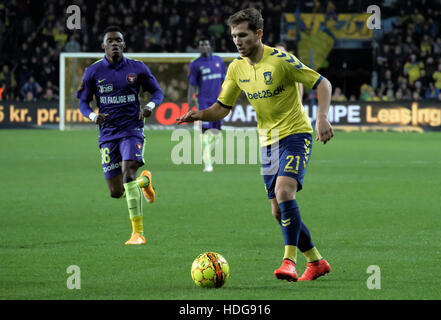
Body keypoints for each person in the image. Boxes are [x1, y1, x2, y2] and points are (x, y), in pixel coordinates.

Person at [177, 8, 334, 282]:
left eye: (243, 35)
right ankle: (316, 261)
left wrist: (322, 117)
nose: (237, 41)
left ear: (258, 34)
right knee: (278, 211)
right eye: (234, 36)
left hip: (296, 134)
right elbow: (222, 107)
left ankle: (289, 261)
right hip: (267, 142)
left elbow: (322, 84)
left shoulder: (281, 61)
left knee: (285, 192)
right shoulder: (236, 68)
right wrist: (199, 115)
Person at [77, 26, 164, 245]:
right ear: (103, 45)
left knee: (128, 173)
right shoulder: (93, 72)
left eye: (118, 40)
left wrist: (150, 107)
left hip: (132, 129)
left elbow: (157, 92)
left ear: (123, 45)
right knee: (116, 192)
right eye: (110, 40)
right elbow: (82, 102)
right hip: (108, 133)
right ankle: (145, 181)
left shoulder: (137, 68)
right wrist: (92, 116)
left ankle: (138, 233)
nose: (114, 43)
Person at [187, 37, 227, 172]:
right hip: (204, 102)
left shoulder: (218, 61)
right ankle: (208, 164)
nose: (204, 47)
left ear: (210, 46)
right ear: (199, 47)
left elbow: (226, 81)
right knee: (206, 133)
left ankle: (208, 156)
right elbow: (192, 86)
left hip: (219, 103)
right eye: (201, 45)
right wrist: (189, 105)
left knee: (216, 134)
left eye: (206, 44)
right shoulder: (195, 64)